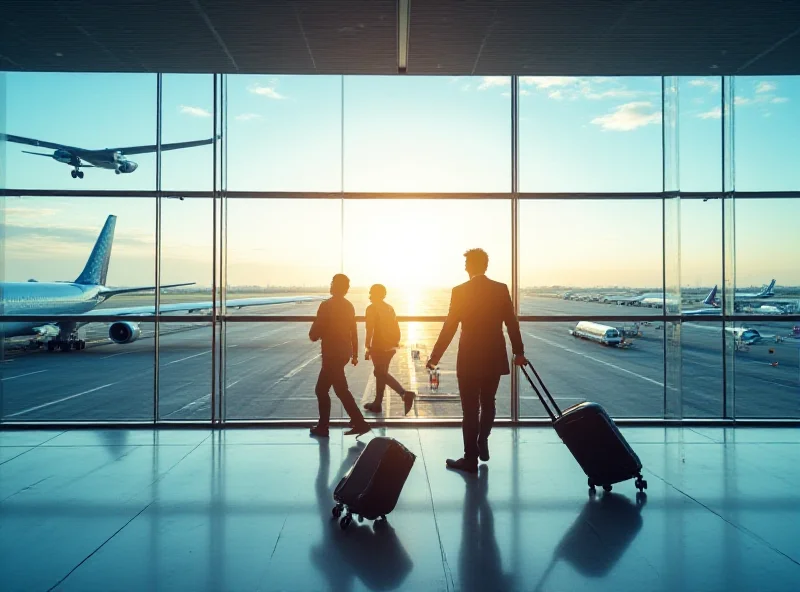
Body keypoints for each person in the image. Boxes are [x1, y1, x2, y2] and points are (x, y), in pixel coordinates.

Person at [427, 249, 526, 473]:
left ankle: (470, 458)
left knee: (470, 410)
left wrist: (435, 357)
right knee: (488, 402)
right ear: (486, 265)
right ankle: (483, 439)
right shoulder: (500, 289)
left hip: (470, 357)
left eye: (465, 264)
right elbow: (512, 323)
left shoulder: (460, 291)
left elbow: (450, 326)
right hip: (494, 355)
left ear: (469, 266)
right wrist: (518, 352)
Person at [309, 273, 371, 438]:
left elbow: (315, 332)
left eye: (331, 282)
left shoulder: (326, 305)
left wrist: (314, 333)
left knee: (324, 390)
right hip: (343, 352)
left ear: (334, 286)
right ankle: (357, 423)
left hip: (331, 354)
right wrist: (355, 354)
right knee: (337, 389)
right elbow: (353, 331)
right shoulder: (349, 306)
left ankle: (326, 427)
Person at [363, 284, 416, 415]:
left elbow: (370, 329)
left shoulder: (371, 308)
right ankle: (377, 403)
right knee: (381, 373)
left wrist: (367, 347)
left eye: (371, 292)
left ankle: (404, 394)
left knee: (379, 373)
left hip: (378, 346)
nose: (369, 294)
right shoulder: (389, 308)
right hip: (390, 345)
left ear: (373, 294)